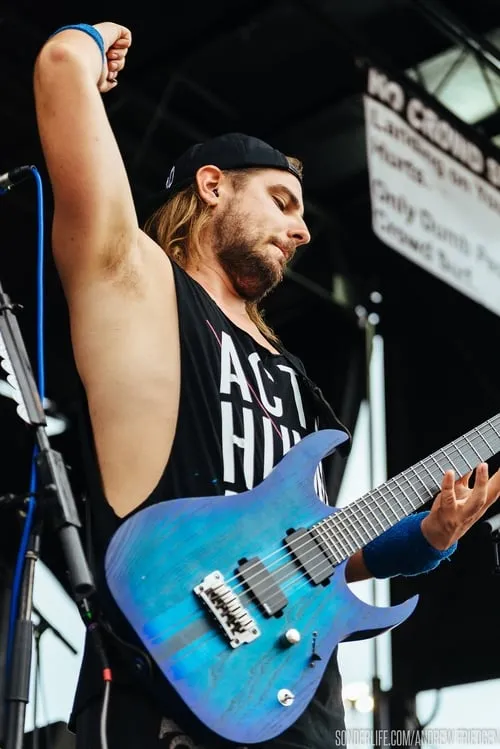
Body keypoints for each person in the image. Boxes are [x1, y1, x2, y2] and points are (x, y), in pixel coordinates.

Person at [33, 21, 500, 749]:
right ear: (212, 187)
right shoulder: (143, 289)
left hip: (295, 701)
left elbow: (315, 553)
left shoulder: (295, 379)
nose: (303, 229)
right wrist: (91, 39)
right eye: (284, 201)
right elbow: (60, 67)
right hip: (173, 693)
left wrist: (428, 539)